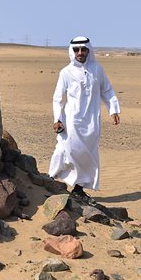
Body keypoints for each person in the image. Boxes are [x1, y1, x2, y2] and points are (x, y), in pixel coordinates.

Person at [48, 36, 120, 199]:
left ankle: (79, 188)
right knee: (64, 149)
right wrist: (57, 119)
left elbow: (107, 90)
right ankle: (50, 179)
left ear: (89, 50)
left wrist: (113, 109)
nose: (80, 53)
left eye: (83, 49)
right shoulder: (65, 72)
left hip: (92, 120)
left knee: (87, 154)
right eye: (76, 49)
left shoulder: (97, 69)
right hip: (71, 120)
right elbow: (57, 98)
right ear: (72, 51)